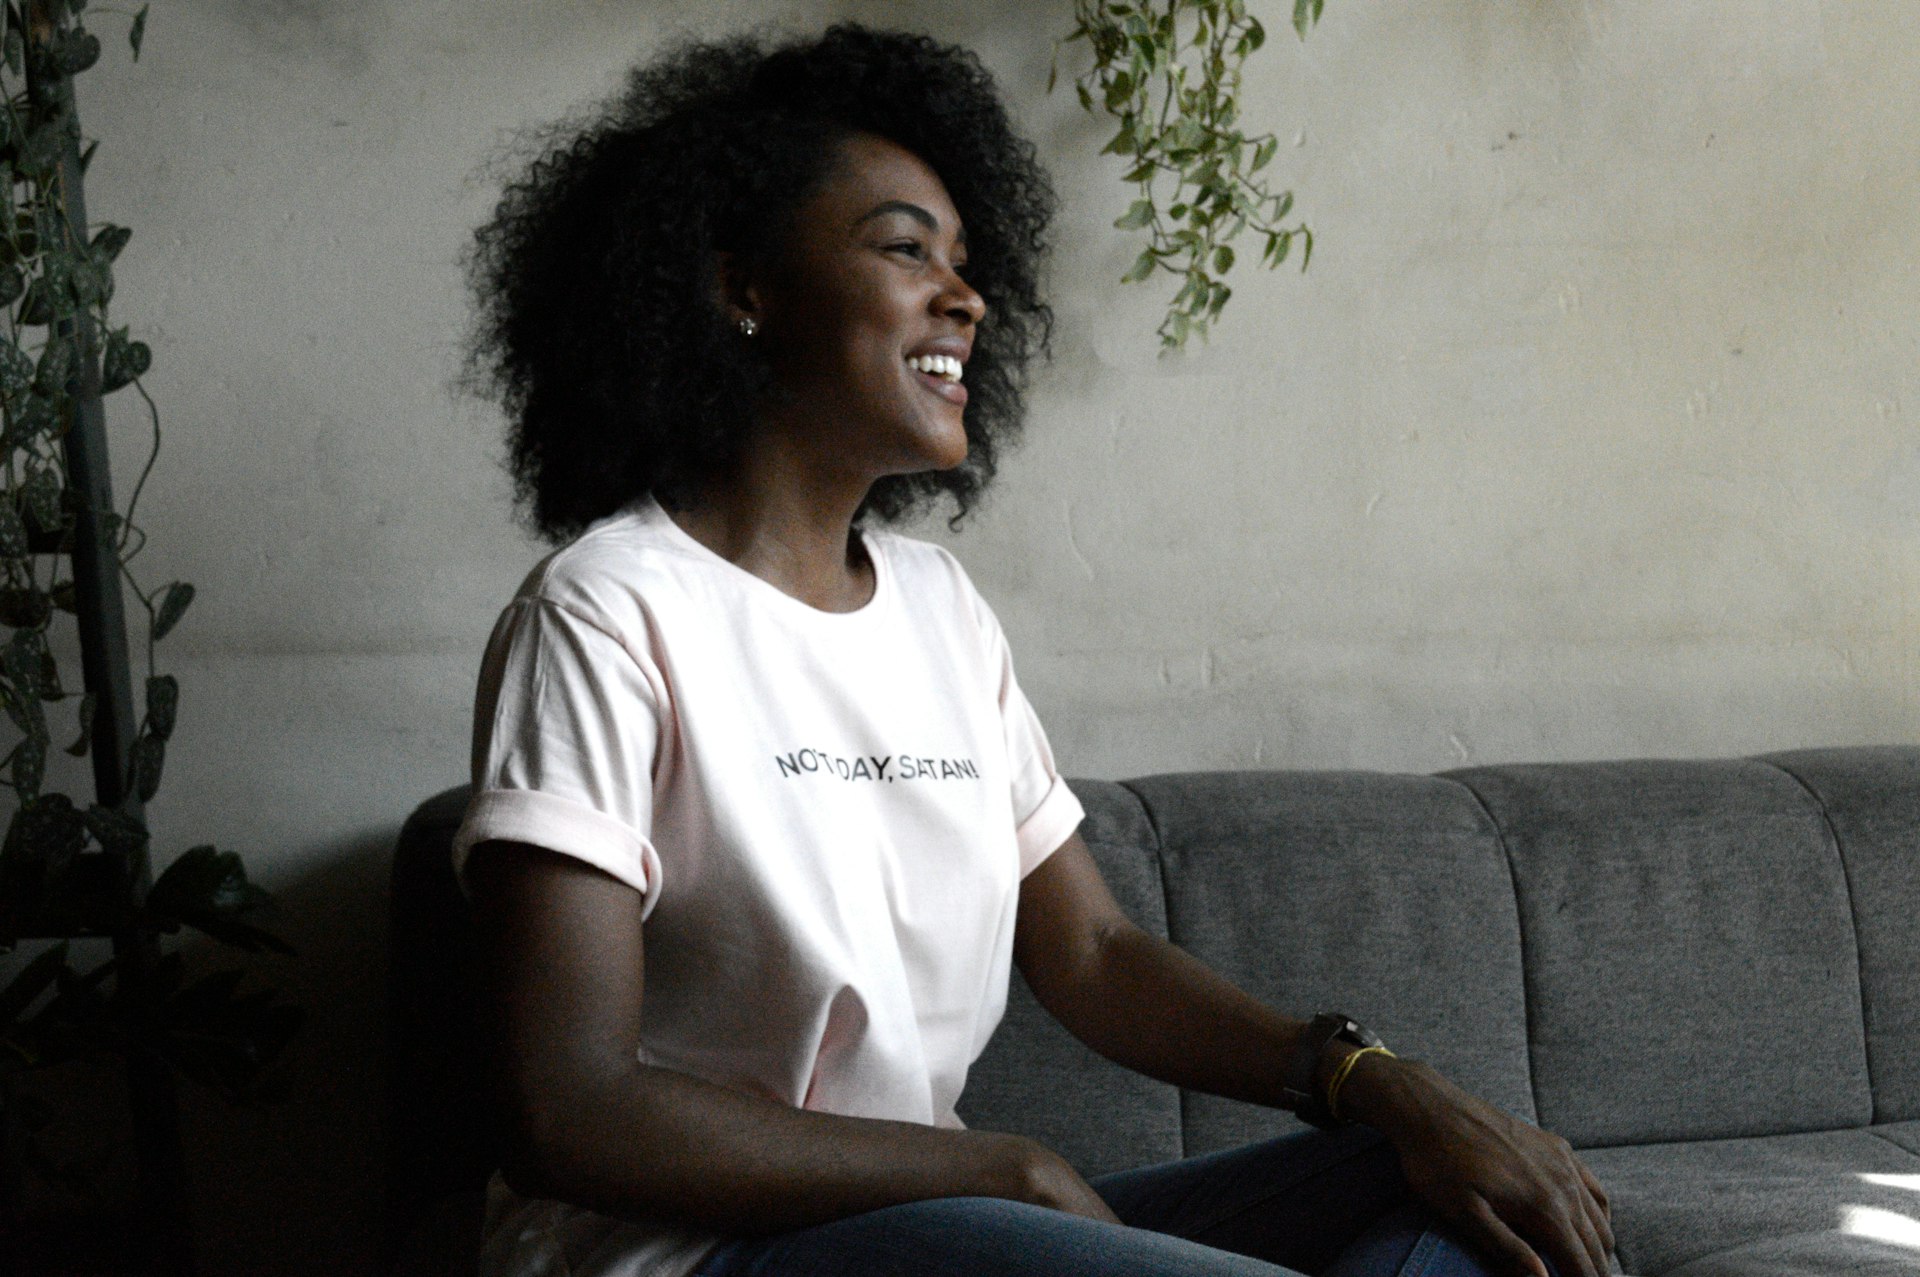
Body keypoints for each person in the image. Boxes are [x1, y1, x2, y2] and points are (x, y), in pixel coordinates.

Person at [453, 23, 1614, 1277]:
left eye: (965, 258)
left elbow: (1098, 955)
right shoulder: (606, 613)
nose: (967, 294)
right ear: (744, 288)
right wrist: (998, 1164)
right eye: (905, 249)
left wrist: (1371, 1077)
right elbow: (571, 1110)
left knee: (1477, 1199)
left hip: (928, 1226)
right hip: (693, 1253)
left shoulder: (939, 608)